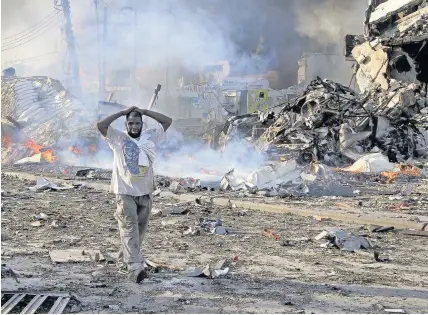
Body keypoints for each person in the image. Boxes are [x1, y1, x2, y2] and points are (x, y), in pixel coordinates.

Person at [97, 106, 172, 283]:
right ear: (126, 124)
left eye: (137, 123)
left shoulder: (149, 136)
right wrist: (122, 112)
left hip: (145, 192)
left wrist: (145, 111)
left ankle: (124, 260)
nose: (134, 126)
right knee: (129, 228)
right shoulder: (118, 137)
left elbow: (167, 121)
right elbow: (101, 125)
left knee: (139, 232)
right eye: (131, 123)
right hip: (125, 192)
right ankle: (135, 268)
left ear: (142, 124)